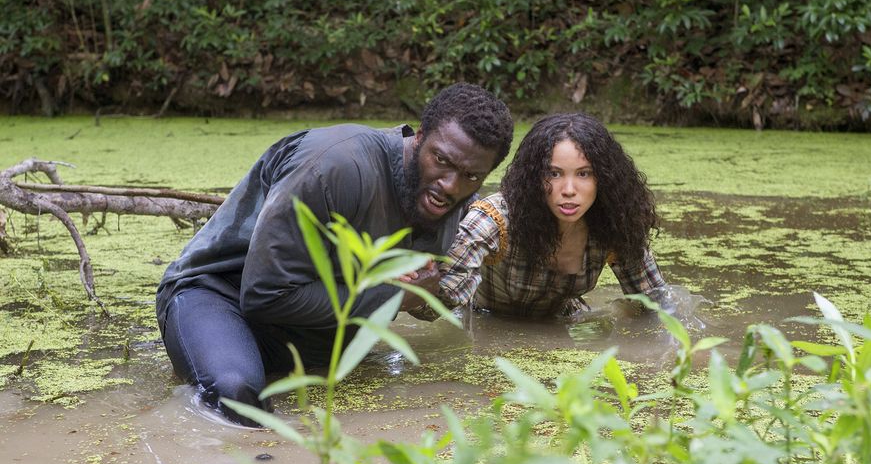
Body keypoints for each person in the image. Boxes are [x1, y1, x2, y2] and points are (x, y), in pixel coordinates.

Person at [155, 83, 513, 425]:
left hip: (313, 330)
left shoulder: (457, 199)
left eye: (470, 176)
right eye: (441, 160)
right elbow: (263, 294)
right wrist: (393, 296)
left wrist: (422, 289)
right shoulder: (334, 166)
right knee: (236, 396)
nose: (450, 185)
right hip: (219, 297)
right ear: (418, 136)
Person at [409, 113, 665, 321]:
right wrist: (416, 283)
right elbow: (434, 307)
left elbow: (657, 307)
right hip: (486, 325)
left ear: (605, 178)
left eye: (584, 174)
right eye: (553, 174)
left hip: (566, 326)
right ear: (533, 177)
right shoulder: (494, 220)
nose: (568, 190)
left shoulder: (614, 224)